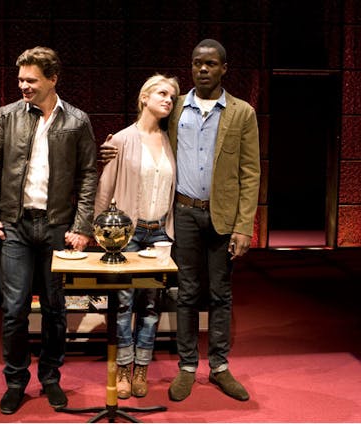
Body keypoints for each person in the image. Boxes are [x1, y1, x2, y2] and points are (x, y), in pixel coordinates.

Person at [100, 39, 261, 402]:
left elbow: (250, 173)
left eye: (210, 64)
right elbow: (144, 133)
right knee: (186, 293)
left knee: (220, 293)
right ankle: (187, 366)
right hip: (183, 214)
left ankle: (219, 366)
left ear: (224, 69)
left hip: (222, 216)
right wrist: (113, 145)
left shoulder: (242, 113)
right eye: (196, 64)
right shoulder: (175, 110)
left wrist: (243, 226)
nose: (203, 69)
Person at [0, 46, 97, 415]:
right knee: (13, 309)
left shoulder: (77, 120)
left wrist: (81, 226)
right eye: (20, 80)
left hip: (57, 227)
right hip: (15, 225)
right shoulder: (6, 116)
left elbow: (88, 175)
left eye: (31, 80)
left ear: (52, 79)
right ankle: (15, 381)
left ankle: (50, 377)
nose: (23, 86)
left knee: (55, 308)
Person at [94, 74, 179, 399]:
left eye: (172, 96)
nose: (168, 100)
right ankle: (125, 370)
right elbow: (105, 187)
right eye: (162, 93)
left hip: (160, 232)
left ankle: (142, 367)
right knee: (124, 304)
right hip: (127, 231)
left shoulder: (170, 139)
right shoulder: (121, 140)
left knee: (151, 304)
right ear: (144, 97)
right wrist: (94, 229)